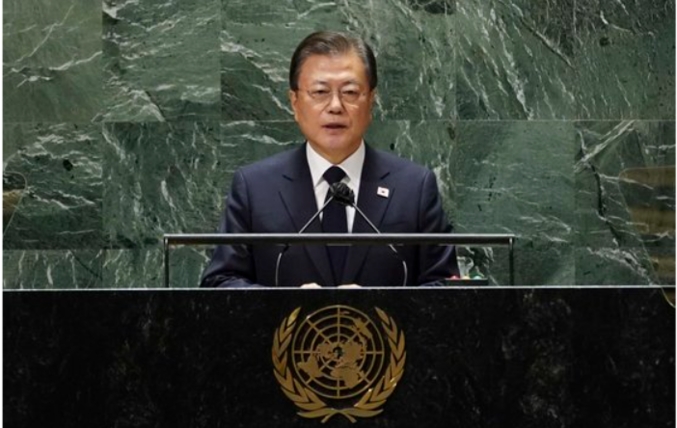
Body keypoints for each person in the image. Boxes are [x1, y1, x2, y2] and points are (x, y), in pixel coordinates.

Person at [201, 31, 459, 288]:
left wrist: (378, 304)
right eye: (320, 92)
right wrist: (285, 304)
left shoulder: (413, 188)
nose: (335, 106)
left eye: (350, 92)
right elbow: (220, 283)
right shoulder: (255, 188)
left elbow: (445, 287)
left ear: (371, 101)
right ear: (294, 103)